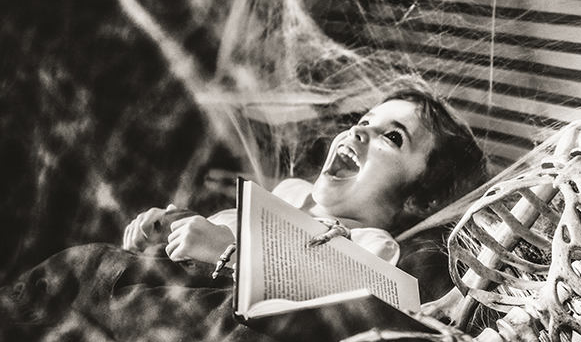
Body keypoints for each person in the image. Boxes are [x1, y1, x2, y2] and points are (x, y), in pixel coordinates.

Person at [122, 86, 487, 268]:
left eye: (392, 138)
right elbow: (217, 233)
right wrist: (171, 228)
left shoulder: (372, 248)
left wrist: (228, 252)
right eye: (364, 122)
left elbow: (318, 301)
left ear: (418, 199)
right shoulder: (291, 191)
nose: (357, 133)